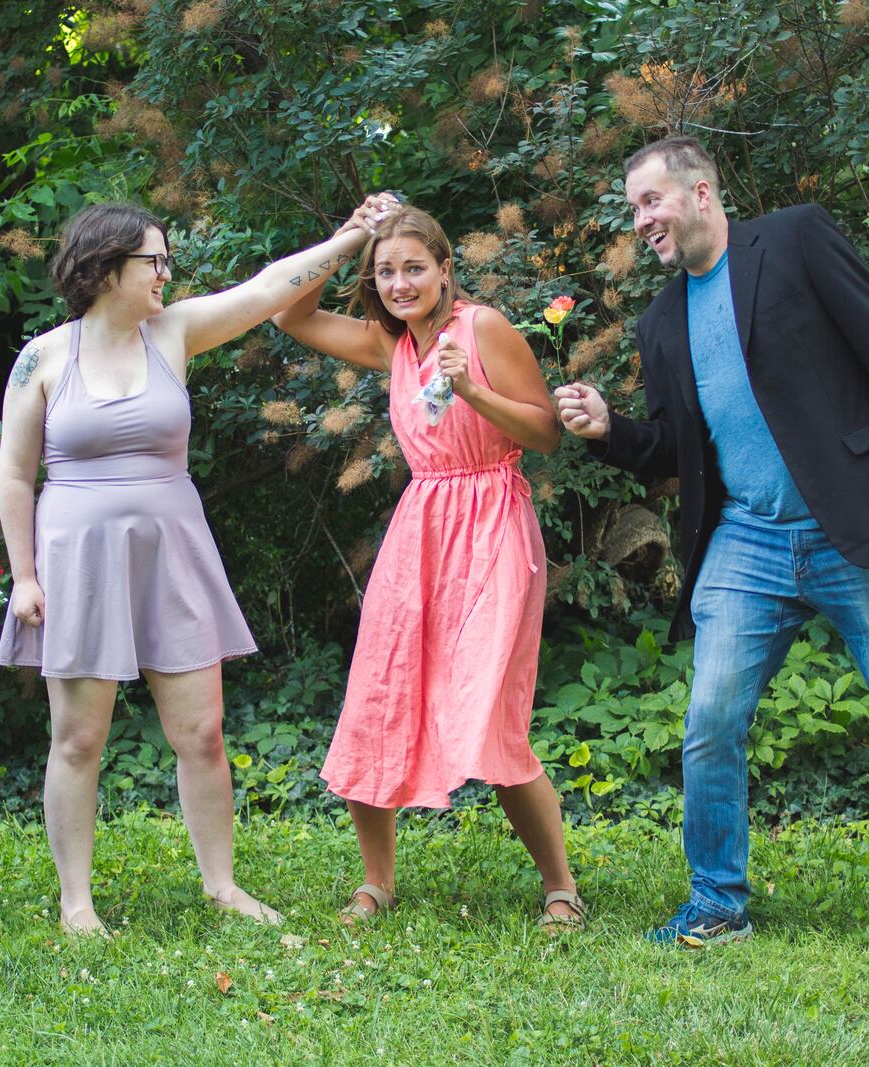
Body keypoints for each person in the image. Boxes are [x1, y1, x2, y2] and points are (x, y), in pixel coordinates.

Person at [554, 136, 869, 954]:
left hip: (853, 521)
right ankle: (717, 900)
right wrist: (609, 429)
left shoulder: (797, 239)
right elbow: (674, 445)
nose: (642, 220)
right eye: (634, 208)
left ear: (701, 193)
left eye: (651, 201)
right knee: (710, 717)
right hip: (748, 541)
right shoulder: (662, 318)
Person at [0, 200, 387, 936]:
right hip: (77, 559)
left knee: (202, 732)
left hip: (172, 552)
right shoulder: (42, 358)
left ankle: (222, 885)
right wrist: (24, 575)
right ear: (106, 267)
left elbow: (269, 289)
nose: (167, 273)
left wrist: (354, 237)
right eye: (155, 260)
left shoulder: (172, 332)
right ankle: (76, 902)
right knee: (79, 738)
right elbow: (15, 475)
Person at [271, 200, 585, 932]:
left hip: (494, 526)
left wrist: (473, 388)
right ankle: (376, 882)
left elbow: (544, 435)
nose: (400, 282)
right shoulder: (394, 346)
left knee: (491, 715)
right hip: (420, 535)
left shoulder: (483, 329)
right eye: (386, 271)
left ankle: (562, 887)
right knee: (379, 697)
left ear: (446, 270)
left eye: (415, 267)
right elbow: (290, 315)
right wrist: (351, 238)